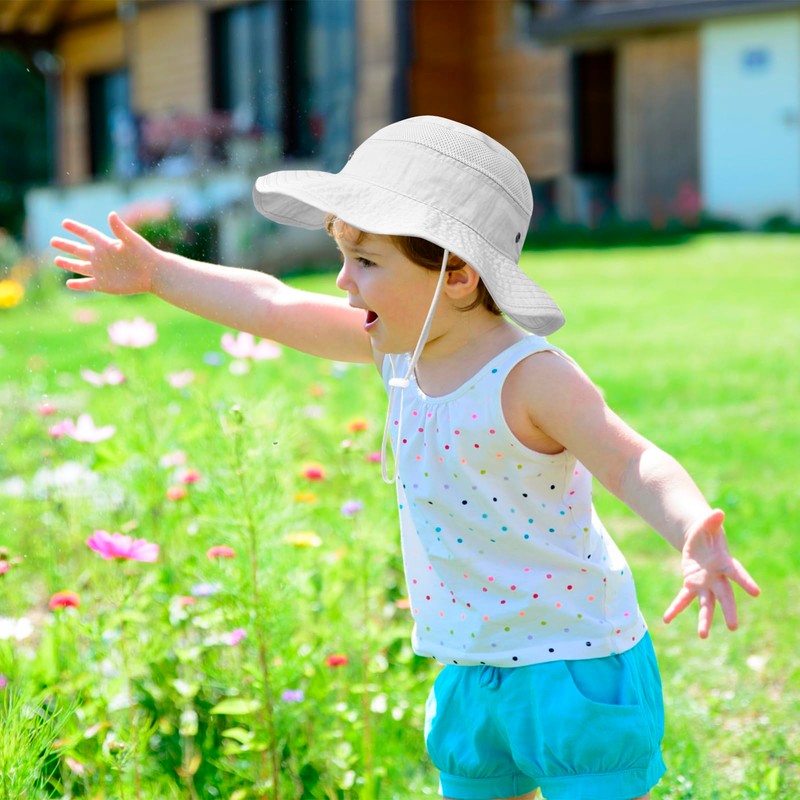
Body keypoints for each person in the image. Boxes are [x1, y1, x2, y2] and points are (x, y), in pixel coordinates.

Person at [51, 116, 760, 800]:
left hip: (573, 663)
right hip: (470, 664)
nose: (341, 282)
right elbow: (268, 304)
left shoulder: (530, 377)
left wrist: (692, 529)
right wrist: (156, 272)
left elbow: (631, 460)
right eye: (341, 256)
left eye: (364, 261)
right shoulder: (395, 350)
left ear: (456, 276)